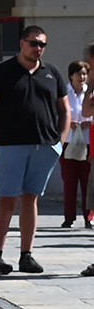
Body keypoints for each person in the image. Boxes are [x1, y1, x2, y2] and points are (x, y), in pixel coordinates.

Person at [0, 26, 70, 275]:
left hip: (44, 145)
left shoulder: (51, 73)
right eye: (34, 43)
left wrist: (59, 142)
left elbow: (64, 109)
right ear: (22, 43)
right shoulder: (4, 72)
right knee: (8, 200)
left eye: (42, 44)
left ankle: (26, 255)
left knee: (31, 198)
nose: (38, 48)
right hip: (10, 145)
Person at [60, 61, 92, 229]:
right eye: (79, 74)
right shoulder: (64, 93)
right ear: (71, 75)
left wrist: (88, 122)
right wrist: (67, 123)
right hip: (68, 141)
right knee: (70, 182)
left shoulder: (91, 94)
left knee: (88, 182)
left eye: (85, 74)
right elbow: (56, 114)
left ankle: (89, 217)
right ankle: (69, 217)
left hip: (88, 142)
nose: (82, 77)